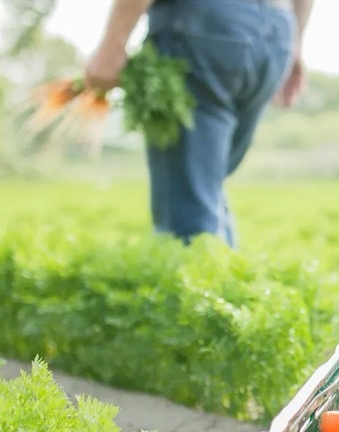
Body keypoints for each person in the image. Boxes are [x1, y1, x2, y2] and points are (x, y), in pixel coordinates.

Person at [84, 0, 314, 249]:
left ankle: (201, 281)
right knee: (204, 187)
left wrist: (113, 44)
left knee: (189, 212)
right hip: (277, 30)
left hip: (205, 24)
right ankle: (222, 277)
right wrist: (295, 44)